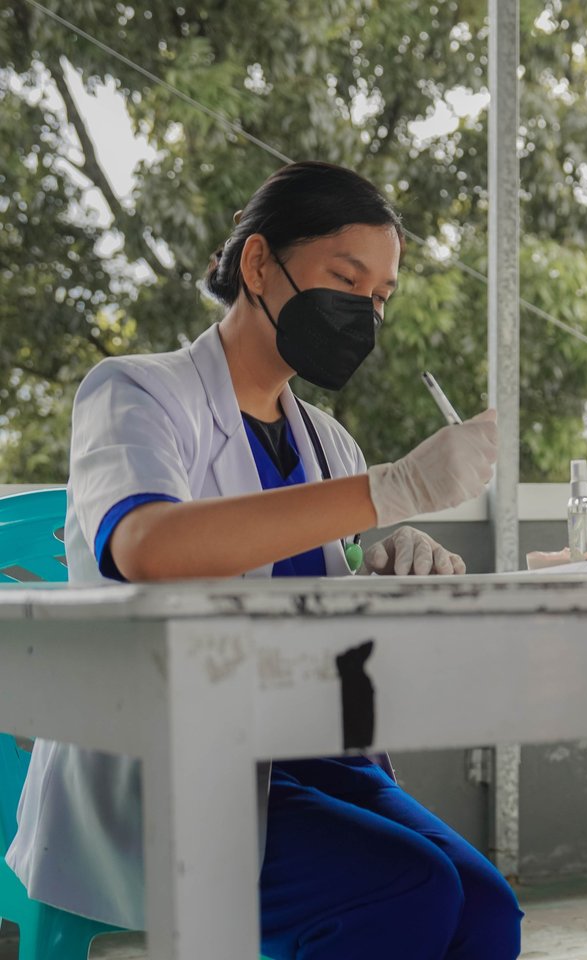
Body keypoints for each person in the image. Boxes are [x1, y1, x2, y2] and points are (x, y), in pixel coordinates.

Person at [4, 162, 522, 960]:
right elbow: (148, 546)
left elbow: (309, 592)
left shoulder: (327, 441)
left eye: (381, 298)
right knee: (411, 892)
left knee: (487, 911)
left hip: (309, 760)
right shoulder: (134, 393)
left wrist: (390, 561)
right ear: (257, 265)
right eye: (347, 281)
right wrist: (391, 489)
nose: (364, 313)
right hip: (177, 767)